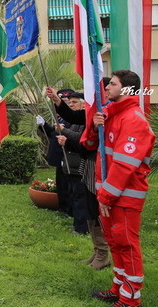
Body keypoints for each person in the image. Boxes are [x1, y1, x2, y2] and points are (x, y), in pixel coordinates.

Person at [88, 70, 155, 307]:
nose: (106, 87)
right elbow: (95, 148)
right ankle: (119, 288)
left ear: (126, 89)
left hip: (124, 196)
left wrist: (106, 195)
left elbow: (126, 164)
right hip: (110, 194)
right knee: (116, 244)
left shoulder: (134, 119)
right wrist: (96, 128)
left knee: (127, 244)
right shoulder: (113, 116)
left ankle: (131, 299)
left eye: (112, 84)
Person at [47, 80, 112, 270]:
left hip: (102, 166)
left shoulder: (113, 112)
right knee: (91, 209)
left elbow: (84, 134)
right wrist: (58, 101)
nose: (105, 91)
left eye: (109, 87)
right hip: (89, 164)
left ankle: (104, 252)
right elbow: (75, 117)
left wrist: (68, 136)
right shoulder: (96, 112)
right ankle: (99, 251)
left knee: (98, 211)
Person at [37, 88, 75, 215]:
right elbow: (53, 134)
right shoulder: (59, 116)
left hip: (68, 155)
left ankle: (69, 209)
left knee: (68, 185)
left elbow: (72, 135)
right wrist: (43, 125)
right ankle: (63, 207)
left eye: (66, 101)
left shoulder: (73, 116)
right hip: (59, 156)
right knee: (61, 184)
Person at [56, 92, 88, 235]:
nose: (71, 105)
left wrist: (64, 132)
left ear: (84, 104)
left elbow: (80, 139)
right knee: (74, 196)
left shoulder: (86, 119)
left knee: (81, 199)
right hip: (71, 163)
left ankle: (82, 228)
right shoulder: (76, 121)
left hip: (80, 165)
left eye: (74, 102)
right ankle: (77, 224)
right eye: (70, 102)